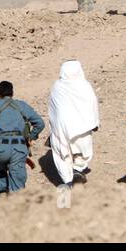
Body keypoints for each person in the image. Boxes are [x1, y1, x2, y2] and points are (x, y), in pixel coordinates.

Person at [0, 80, 45, 199]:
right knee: (17, 182)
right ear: (12, 92)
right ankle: (15, 207)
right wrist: (31, 137)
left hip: (0, 148)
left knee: (0, 167)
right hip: (19, 148)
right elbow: (40, 123)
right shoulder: (22, 105)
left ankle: (2, 194)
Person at [48, 60, 100, 189]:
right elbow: (92, 103)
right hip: (81, 126)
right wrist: (95, 122)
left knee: (62, 155)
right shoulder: (84, 85)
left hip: (61, 127)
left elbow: (52, 108)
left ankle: (67, 183)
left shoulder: (57, 86)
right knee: (82, 152)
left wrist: (54, 127)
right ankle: (78, 170)